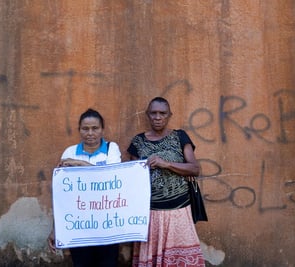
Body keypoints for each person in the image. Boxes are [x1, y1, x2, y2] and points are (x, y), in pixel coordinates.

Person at [127, 97, 205, 267]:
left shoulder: (180, 136)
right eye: (153, 113)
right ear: (148, 115)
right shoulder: (138, 142)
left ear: (169, 115)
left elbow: (194, 168)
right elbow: (132, 178)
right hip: (150, 213)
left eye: (162, 113)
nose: (157, 117)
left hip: (179, 211)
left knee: (181, 259)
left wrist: (166, 164)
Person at [47, 108, 121, 267]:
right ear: (79, 130)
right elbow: (63, 196)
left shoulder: (111, 149)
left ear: (102, 130)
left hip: (107, 223)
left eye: (95, 128)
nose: (90, 133)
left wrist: (79, 164)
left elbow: (110, 177)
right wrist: (56, 228)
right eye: (85, 129)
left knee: (108, 263)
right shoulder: (70, 151)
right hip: (79, 225)